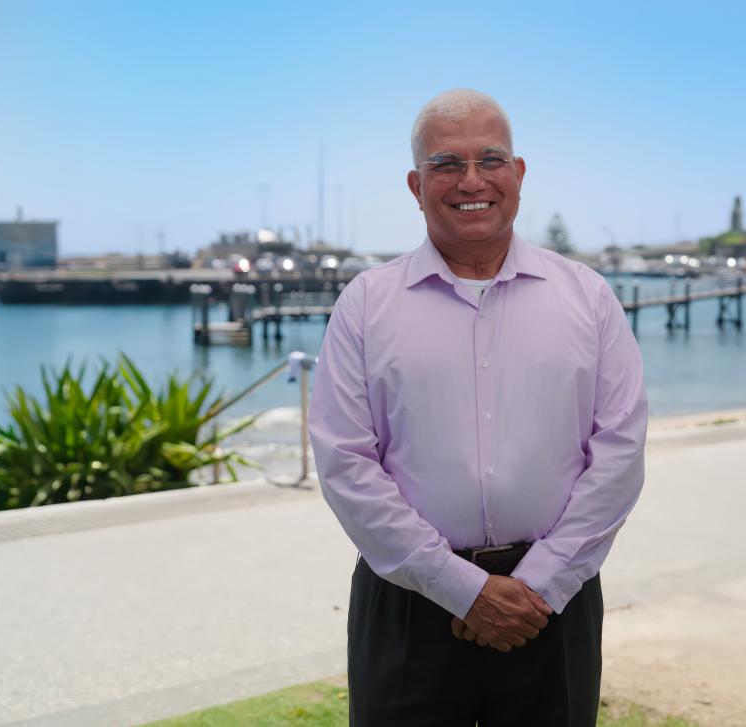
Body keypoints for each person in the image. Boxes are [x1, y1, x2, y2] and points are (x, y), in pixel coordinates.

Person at [308, 88, 648, 727]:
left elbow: (620, 452)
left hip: (554, 606)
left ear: (518, 174)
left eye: (491, 160)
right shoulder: (366, 305)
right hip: (410, 606)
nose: (472, 181)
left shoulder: (589, 298)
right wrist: (460, 590)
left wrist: (538, 586)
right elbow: (346, 463)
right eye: (446, 164)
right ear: (416, 184)